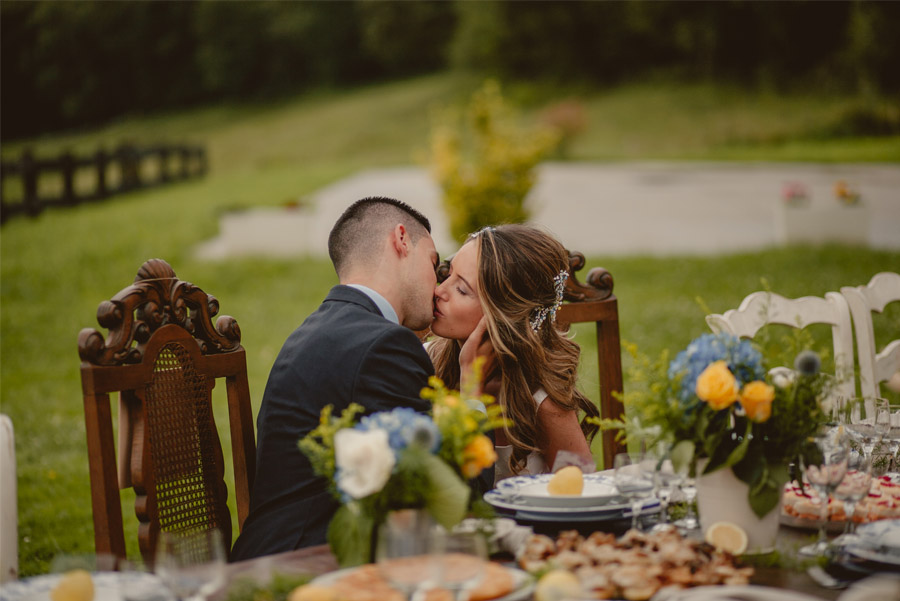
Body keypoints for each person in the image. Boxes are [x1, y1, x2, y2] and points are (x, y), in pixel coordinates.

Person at [230, 196, 441, 560]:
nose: (438, 285)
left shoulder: (321, 329)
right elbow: (441, 488)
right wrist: (473, 389)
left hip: (276, 553)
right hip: (302, 568)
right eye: (434, 263)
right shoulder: (384, 344)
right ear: (402, 239)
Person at [429, 224, 600, 483]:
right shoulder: (425, 362)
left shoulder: (543, 401)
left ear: (504, 317)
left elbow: (585, 492)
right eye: (447, 275)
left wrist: (470, 382)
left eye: (462, 290)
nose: (439, 291)